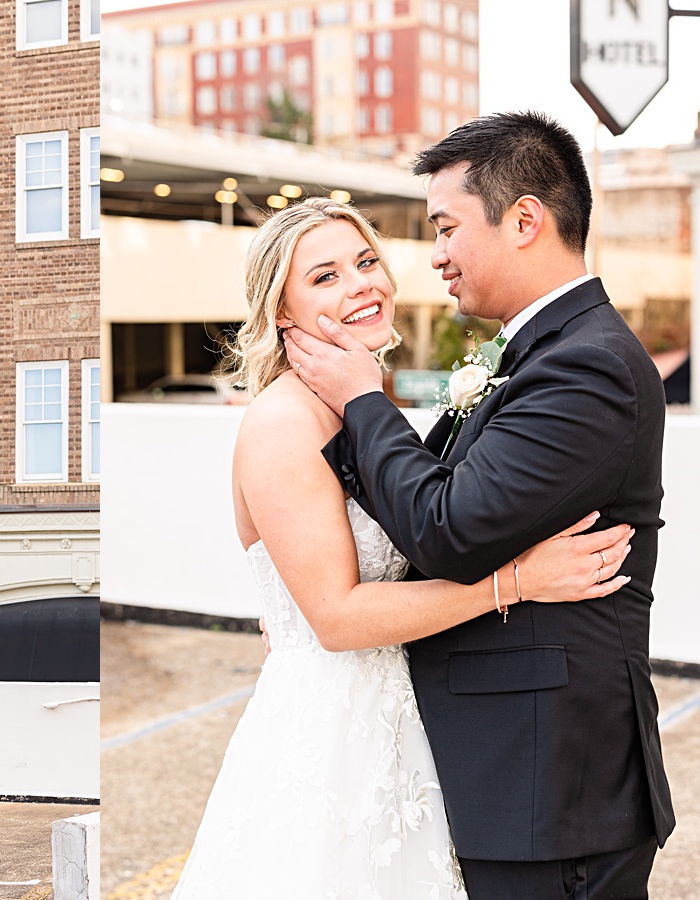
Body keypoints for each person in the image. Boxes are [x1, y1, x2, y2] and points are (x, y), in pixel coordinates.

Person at [169, 197, 635, 900]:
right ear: (283, 313)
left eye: (364, 263)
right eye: (324, 277)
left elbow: (427, 532)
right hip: (329, 743)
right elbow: (337, 619)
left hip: (403, 729)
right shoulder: (283, 422)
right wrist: (516, 581)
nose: (360, 284)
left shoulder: (358, 402)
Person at [287, 112, 673, 899]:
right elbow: (422, 503)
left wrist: (365, 399)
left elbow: (447, 530)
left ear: (524, 219)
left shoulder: (586, 367)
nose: (434, 256)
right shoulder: (537, 352)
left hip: (548, 788)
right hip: (508, 779)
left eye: (446, 227)